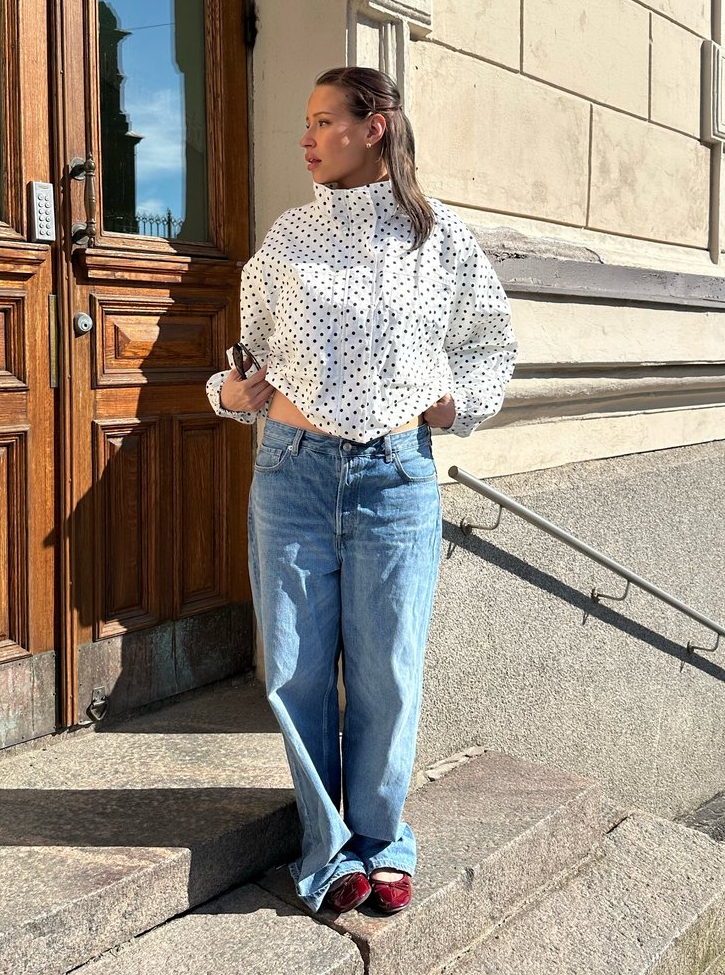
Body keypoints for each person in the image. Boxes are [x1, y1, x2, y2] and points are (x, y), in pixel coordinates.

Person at [206, 66, 517, 916]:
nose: (305, 137)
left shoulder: (439, 240)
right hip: (292, 473)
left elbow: (492, 344)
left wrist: (460, 402)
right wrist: (230, 395)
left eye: (322, 121)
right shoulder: (286, 241)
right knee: (297, 671)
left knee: (387, 672)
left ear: (373, 126)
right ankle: (328, 846)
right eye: (303, 122)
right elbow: (244, 364)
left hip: (396, 476)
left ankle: (383, 839)